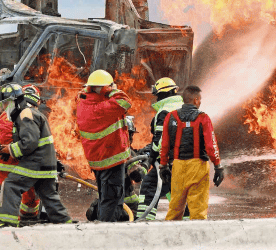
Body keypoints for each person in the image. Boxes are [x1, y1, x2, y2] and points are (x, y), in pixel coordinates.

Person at [0, 83, 73, 227]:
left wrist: (10, 150)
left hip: (36, 163)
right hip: (45, 163)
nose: (4, 108)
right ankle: (66, 224)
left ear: (14, 101)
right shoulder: (30, 113)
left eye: (5, 104)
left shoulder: (25, 114)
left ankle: (7, 223)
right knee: (49, 197)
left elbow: (30, 142)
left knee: (11, 185)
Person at [76, 70, 133, 222]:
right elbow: (125, 101)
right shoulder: (102, 108)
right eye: (109, 86)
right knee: (111, 199)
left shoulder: (84, 102)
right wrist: (114, 89)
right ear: (104, 88)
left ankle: (113, 225)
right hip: (110, 160)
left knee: (109, 197)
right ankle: (105, 231)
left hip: (99, 160)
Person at [160, 85, 223, 220]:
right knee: (198, 210)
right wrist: (218, 166)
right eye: (200, 99)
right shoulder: (203, 118)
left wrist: (163, 166)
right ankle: (197, 239)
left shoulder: (171, 117)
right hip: (198, 167)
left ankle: (169, 238)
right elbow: (211, 145)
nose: (200, 102)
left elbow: (164, 144)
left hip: (177, 166)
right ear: (195, 100)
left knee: (175, 208)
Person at [0, 82, 42, 222]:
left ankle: (25, 217)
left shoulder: (19, 113)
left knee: (22, 194)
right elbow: (11, 140)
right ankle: (14, 221)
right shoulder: (11, 115)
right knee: (16, 194)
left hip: (11, 162)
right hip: (10, 163)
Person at [135, 77, 184, 221]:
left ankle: (144, 223)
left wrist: (152, 158)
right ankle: (188, 223)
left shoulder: (165, 111)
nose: (156, 99)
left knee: (149, 186)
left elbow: (160, 141)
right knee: (178, 192)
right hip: (187, 161)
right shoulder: (184, 107)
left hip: (169, 161)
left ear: (164, 94)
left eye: (158, 95)